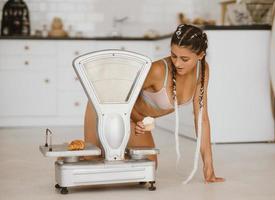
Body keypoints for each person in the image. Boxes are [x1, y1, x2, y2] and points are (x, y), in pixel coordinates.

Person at [84, 24, 225, 184]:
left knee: (148, 168)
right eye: (173, 56)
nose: (177, 63)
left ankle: (121, 150)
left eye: (184, 59)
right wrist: (138, 120)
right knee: (92, 161)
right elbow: (117, 96)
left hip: (137, 122)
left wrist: (209, 167)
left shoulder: (203, 71)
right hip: (105, 107)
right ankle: (85, 151)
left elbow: (202, 119)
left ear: (200, 55)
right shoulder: (158, 70)